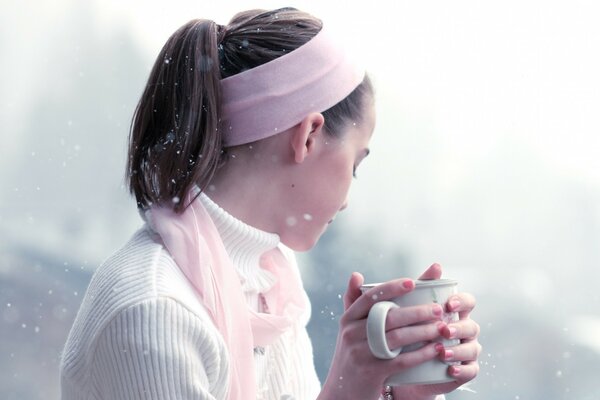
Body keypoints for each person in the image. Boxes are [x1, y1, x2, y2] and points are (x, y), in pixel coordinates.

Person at [59, 7, 480, 400]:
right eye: (356, 163)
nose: (349, 200)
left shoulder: (270, 283)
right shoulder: (155, 312)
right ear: (309, 135)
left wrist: (382, 388)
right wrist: (345, 388)